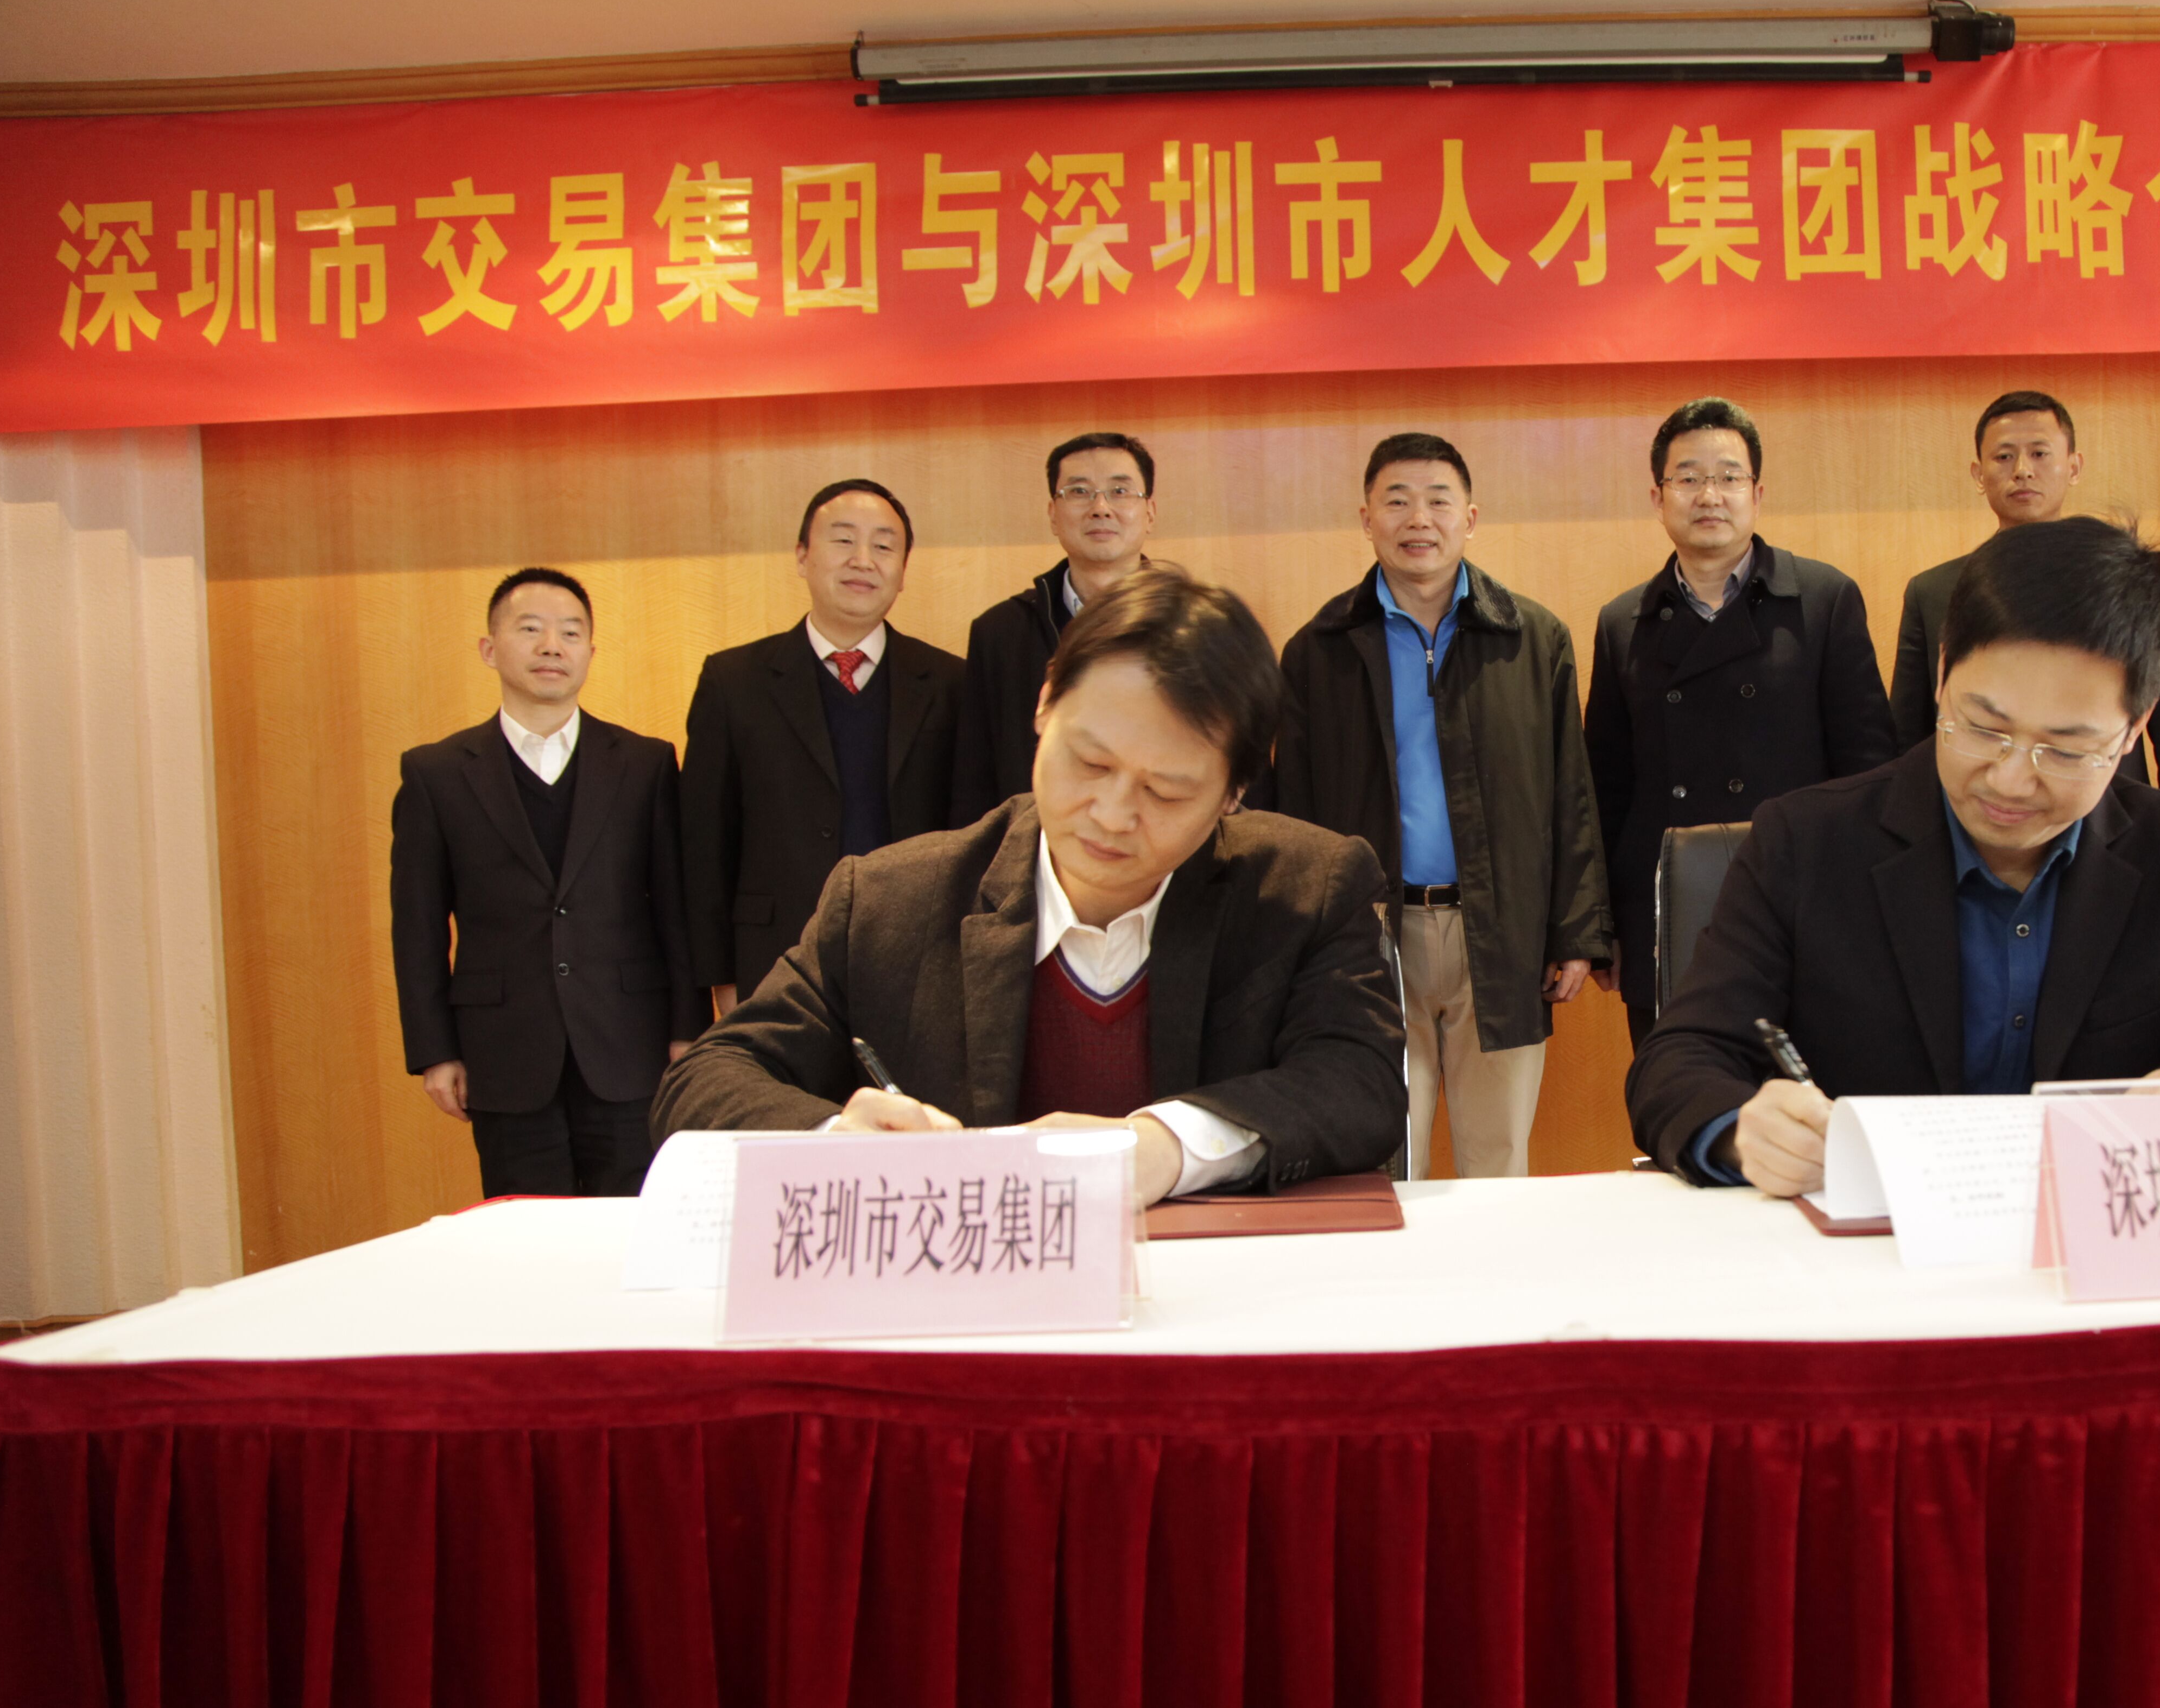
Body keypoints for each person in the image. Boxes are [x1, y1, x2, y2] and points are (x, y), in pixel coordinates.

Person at [654, 568, 1405, 1206]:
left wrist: (1164, 1146)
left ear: (1234, 793)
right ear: (1046, 704)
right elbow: (706, 1080)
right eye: (1090, 762)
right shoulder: (888, 901)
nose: (1111, 815)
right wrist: (840, 1141)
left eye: (1167, 792)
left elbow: (1361, 1083)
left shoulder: (1308, 886)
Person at [1628, 515, 2160, 1195]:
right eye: (1983, 728)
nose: (2010, 781)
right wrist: (1742, 1130)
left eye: (2065, 750)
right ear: (1943, 674)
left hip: (2087, 1230)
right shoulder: (1806, 841)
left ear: (2135, 727)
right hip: (1871, 1237)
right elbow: (1681, 1057)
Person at [1271, 432, 1611, 1178]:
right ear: (1367, 519)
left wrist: (1576, 931)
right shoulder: (1319, 650)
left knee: (1498, 1165)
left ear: (1470, 518)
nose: (1418, 519)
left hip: (1504, 933)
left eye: (1438, 501)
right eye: (1397, 501)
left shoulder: (1532, 638)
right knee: (1383, 1164)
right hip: (1368, 940)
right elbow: (1290, 813)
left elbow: (1571, 795)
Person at [1586, 396, 1897, 1044]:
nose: (1710, 495)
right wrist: (1604, 924)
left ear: (1757, 493)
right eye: (1689, 478)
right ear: (1658, 496)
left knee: (1801, 1090)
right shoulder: (1623, 622)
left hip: (1800, 899)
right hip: (1667, 904)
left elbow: (1869, 771)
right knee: (1680, 1083)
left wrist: (1866, 905)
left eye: (1729, 477)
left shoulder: (1824, 599)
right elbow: (1607, 790)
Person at [390, 567, 702, 1197]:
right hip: (502, 1051)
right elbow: (417, 926)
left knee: (631, 1225)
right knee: (522, 1229)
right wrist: (435, 1051)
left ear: (591, 652)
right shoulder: (437, 774)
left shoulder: (644, 764)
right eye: (530, 630)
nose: (552, 647)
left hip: (628, 1044)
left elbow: (676, 908)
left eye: (570, 633)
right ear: (490, 649)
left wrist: (686, 1030)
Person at [680, 477, 964, 1017]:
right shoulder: (733, 681)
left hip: (917, 959)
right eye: (843, 540)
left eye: (884, 546)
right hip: (773, 958)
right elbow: (705, 845)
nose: (864, 560)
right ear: (802, 557)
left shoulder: (952, 684)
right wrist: (720, 977)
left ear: (903, 571)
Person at [1888, 390, 2160, 809]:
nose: (2023, 471)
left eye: (2040, 454)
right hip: (1980, 813)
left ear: (2074, 467)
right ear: (1978, 474)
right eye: (2004, 457)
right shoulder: (1932, 591)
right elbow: (1909, 740)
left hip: (2109, 821)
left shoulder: (2130, 583)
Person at [951, 431, 1162, 824]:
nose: (1101, 508)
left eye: (1120, 492)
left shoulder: (1199, 630)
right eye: (1079, 492)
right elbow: (973, 783)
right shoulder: (999, 634)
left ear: (1149, 512)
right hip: (1035, 849)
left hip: (1165, 844)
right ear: (1053, 514)